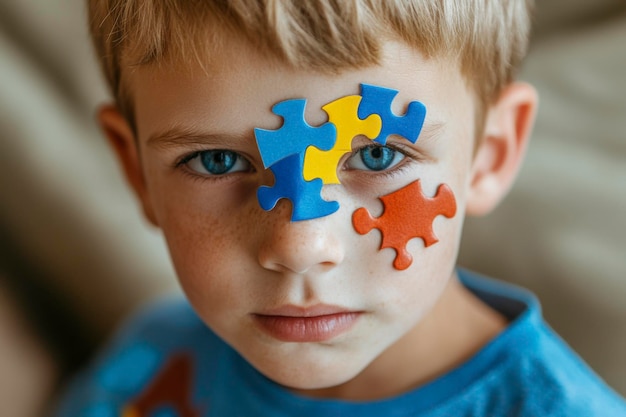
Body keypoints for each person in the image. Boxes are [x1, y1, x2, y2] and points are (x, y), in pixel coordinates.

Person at [54, 1, 626, 415]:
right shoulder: (152, 358)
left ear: (489, 154)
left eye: (377, 156)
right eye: (217, 162)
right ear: (137, 172)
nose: (299, 247)